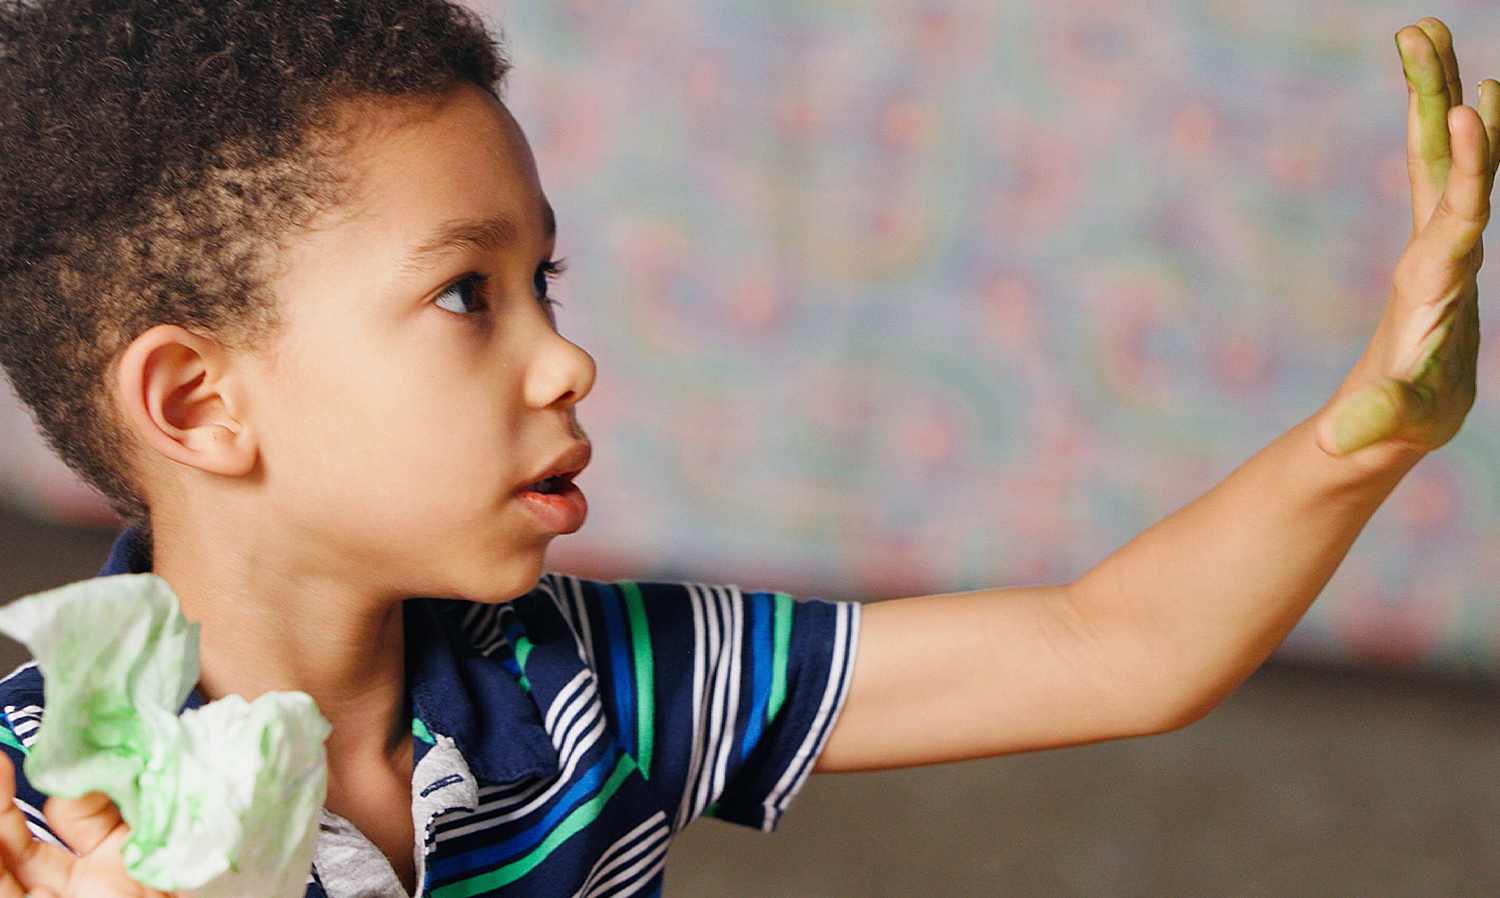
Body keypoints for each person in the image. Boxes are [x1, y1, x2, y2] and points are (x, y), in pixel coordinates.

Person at [0, 2, 1492, 896]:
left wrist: (1360, 439)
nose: (568, 358)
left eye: (544, 282)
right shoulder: (33, 802)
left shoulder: (594, 680)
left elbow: (1110, 647)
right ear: (197, 402)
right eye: (466, 293)